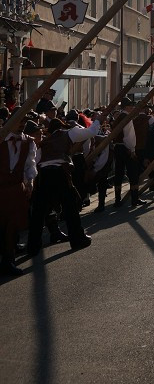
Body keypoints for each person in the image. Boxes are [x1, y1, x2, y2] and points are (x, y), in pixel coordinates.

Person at [27, 115, 101, 255]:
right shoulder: (68, 133)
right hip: (59, 173)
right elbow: (91, 132)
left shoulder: (45, 142)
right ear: (62, 126)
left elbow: (35, 161)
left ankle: (33, 246)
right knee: (70, 208)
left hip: (44, 174)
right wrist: (97, 120)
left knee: (39, 212)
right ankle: (78, 239)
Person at [0, 108, 37, 276]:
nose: (23, 124)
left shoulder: (28, 142)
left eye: (24, 121)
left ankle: (8, 262)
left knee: (12, 227)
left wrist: (30, 182)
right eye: (20, 121)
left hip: (15, 190)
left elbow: (30, 166)